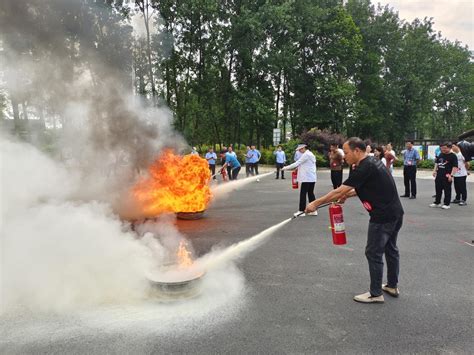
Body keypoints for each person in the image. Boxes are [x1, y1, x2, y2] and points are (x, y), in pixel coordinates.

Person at [305, 137, 404, 304]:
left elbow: (339, 190)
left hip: (382, 217)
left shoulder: (364, 167)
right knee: (391, 248)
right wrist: (346, 195)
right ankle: (392, 286)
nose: (344, 156)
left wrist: (315, 203)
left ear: (357, 151)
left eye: (347, 152)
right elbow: (362, 188)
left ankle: (375, 293)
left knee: (373, 252)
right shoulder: (373, 162)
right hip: (395, 213)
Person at [282, 144, 317, 217]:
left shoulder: (306, 155)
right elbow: (305, 164)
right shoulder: (310, 154)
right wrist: (297, 168)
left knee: (303, 194)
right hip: (312, 177)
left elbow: (297, 163)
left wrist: (285, 168)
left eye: (300, 149)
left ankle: (301, 211)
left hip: (307, 178)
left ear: (304, 148)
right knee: (310, 193)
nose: (299, 151)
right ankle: (313, 210)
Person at [430, 142, 458, 209]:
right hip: (439, 175)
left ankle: (446, 204)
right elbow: (437, 163)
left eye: (445, 148)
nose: (443, 149)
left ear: (449, 148)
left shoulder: (453, 156)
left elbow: (455, 167)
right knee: (438, 189)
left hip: (447, 176)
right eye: (442, 148)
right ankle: (437, 202)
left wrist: (451, 175)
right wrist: (434, 171)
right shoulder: (440, 154)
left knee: (447, 190)